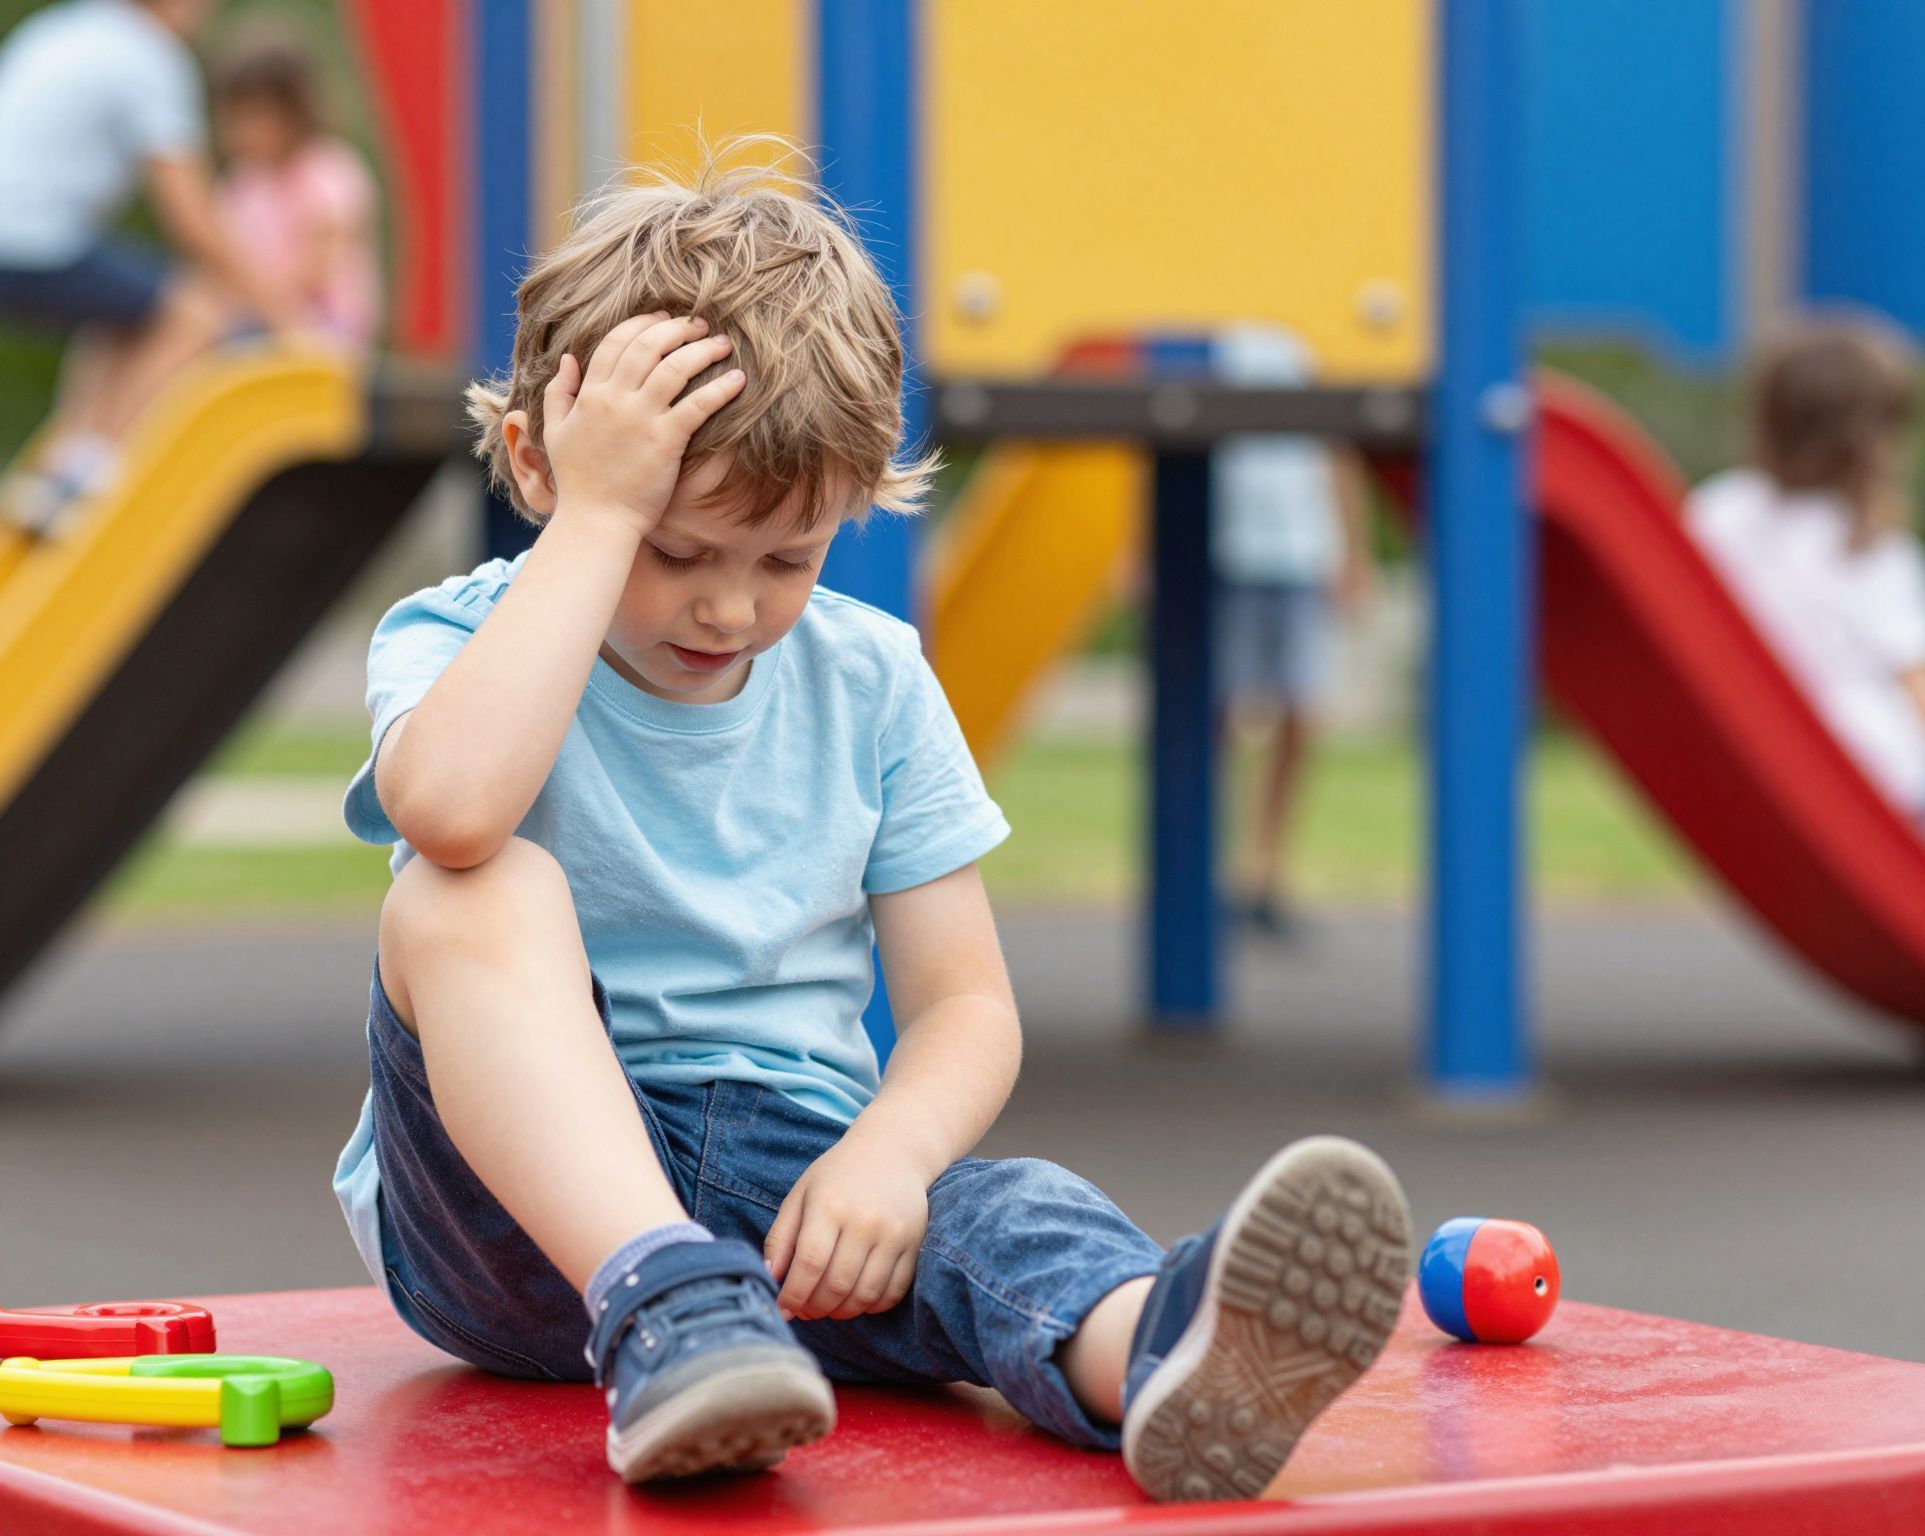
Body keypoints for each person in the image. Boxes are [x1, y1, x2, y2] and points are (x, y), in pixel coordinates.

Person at [331, 148, 1414, 1495]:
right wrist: (597, 517)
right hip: (507, 1224)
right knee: (465, 888)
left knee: (996, 1218)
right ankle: (665, 1296)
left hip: (791, 1184)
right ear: (534, 464)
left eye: (788, 558)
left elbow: (965, 1009)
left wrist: (887, 1165)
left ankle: (1165, 1358)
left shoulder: (872, 678)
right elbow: (448, 809)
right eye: (674, 552)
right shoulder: (459, 636)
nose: (730, 608)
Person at [1687, 314, 1925, 918]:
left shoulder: (1718, 514)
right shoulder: (1870, 548)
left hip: (1779, 782)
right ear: (1881, 437)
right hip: (1891, 793)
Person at [0, 0, 296, 527]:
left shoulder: (67, 27)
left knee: (124, 312)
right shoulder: (150, 56)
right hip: (32, 238)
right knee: (196, 313)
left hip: (20, 236)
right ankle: (89, 471)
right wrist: (283, 317)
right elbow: (193, 221)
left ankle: (62, 463)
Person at [1211, 324, 1372, 938]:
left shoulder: (1311, 326)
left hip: (1302, 551)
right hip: (1224, 545)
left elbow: (1338, 450)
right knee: (1220, 713)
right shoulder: (1207, 336)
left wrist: (1353, 550)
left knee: (1302, 709)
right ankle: (1218, 864)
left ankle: (1267, 867)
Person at [213, 24, 379, 348]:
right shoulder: (242, 183)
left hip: (323, 330)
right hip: (256, 319)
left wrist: (249, 294)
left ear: (296, 111)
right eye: (235, 117)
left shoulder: (329, 172)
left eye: (256, 115)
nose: (244, 131)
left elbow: (315, 269)